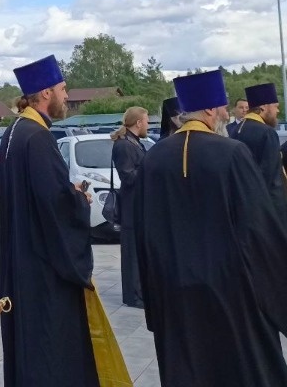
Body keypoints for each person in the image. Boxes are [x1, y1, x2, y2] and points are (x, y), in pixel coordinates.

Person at [135, 70, 287, 386]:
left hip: (173, 291)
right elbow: (258, 229)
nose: (226, 114)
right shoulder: (231, 153)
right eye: (223, 108)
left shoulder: (154, 158)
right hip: (230, 293)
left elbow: (144, 234)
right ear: (209, 110)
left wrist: (153, 299)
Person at [0, 55, 122, 387]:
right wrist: (80, 201)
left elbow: (38, 196)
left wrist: (65, 193)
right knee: (51, 348)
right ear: (45, 93)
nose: (67, 96)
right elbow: (57, 209)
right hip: (43, 267)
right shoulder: (37, 138)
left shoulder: (14, 132)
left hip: (21, 260)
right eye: (63, 89)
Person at [232, 82, 287, 225]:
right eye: (275, 106)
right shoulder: (267, 133)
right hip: (270, 211)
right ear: (263, 107)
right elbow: (269, 176)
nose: (278, 111)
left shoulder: (236, 130)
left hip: (243, 208)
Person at [110, 106, 148, 309]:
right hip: (131, 205)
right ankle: (134, 296)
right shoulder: (124, 145)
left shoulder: (135, 142)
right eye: (146, 121)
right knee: (132, 251)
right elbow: (127, 175)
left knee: (138, 249)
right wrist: (148, 169)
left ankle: (139, 292)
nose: (148, 125)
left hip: (138, 204)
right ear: (138, 122)